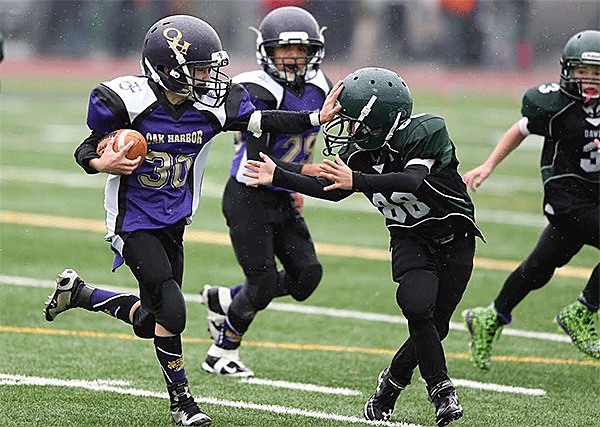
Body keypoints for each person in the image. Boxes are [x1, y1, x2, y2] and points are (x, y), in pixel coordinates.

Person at [42, 14, 341, 426]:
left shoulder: (211, 105)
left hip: (174, 221)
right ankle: (183, 404)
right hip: (132, 221)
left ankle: (80, 294)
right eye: (199, 69)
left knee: (151, 320)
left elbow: (263, 120)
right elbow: (87, 147)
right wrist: (100, 160)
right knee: (174, 312)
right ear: (167, 69)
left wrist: (314, 118)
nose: (210, 77)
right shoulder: (127, 101)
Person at [244, 67, 483, 427]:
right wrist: (279, 176)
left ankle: (390, 385)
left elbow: (413, 180)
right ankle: (442, 390)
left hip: (454, 236)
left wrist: (359, 180)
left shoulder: (425, 131)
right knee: (416, 306)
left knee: (437, 325)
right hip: (409, 236)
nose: (348, 130)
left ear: (381, 119)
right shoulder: (359, 154)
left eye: (355, 122)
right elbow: (336, 191)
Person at [199, 6, 331, 377]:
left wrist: (299, 178)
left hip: (281, 192)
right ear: (266, 52)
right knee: (262, 282)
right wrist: (306, 173)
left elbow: (303, 143)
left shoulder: (320, 85)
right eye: (284, 50)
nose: (293, 58)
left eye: (302, 51)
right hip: (248, 195)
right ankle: (220, 352)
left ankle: (226, 299)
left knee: (307, 277)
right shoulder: (256, 88)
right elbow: (260, 164)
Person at [461, 30, 600, 370]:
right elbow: (519, 130)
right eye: (583, 71)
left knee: (538, 269)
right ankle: (582, 311)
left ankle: (490, 316)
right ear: (568, 71)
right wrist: (489, 164)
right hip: (566, 198)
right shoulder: (556, 107)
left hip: (594, 199)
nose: (590, 80)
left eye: (598, 73)